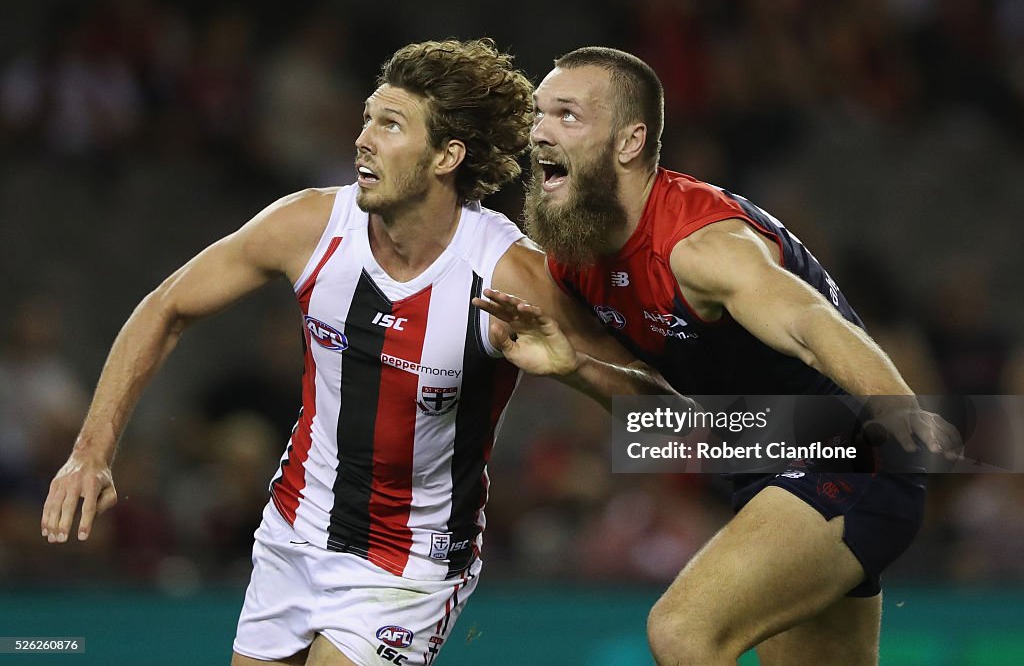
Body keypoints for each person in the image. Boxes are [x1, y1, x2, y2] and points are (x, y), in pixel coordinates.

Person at [39, 39, 672, 666]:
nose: (362, 139)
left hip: (408, 568)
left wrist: (577, 370)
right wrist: (91, 453)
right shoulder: (309, 227)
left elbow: (665, 409)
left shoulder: (506, 274)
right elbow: (165, 307)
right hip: (291, 535)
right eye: (367, 118)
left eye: (390, 125)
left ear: (446, 155)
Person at [517, 46, 960, 666]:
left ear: (628, 142)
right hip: (768, 459)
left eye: (567, 114)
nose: (540, 130)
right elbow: (678, 421)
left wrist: (903, 413)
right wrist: (576, 367)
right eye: (539, 113)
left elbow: (811, 324)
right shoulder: (580, 261)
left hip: (853, 450)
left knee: (683, 630)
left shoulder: (701, 246)